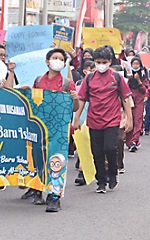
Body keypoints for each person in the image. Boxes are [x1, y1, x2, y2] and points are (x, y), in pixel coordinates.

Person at [73, 46, 133, 194]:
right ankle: (101, 180)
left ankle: (113, 173)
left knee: (110, 148)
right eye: (98, 61)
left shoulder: (117, 78)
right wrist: (76, 119)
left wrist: (129, 119)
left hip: (112, 120)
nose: (101, 65)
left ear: (110, 62)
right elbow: (81, 99)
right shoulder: (89, 79)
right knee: (97, 152)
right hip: (94, 120)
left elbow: (125, 98)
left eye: (104, 61)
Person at [28, 48, 79, 212]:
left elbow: (74, 108)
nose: (58, 61)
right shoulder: (37, 81)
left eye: (61, 59)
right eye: (54, 57)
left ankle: (54, 196)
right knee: (38, 158)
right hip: (40, 127)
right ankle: (38, 189)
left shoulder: (66, 83)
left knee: (57, 160)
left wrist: (75, 99)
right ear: (47, 61)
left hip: (59, 130)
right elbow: (33, 103)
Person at [123, 57, 148, 152]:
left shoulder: (143, 76)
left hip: (139, 101)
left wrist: (138, 81)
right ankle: (129, 141)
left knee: (138, 120)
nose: (136, 66)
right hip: (129, 101)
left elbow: (144, 90)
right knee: (130, 119)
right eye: (134, 64)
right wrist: (129, 80)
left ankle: (134, 141)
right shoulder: (127, 76)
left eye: (137, 64)